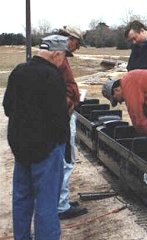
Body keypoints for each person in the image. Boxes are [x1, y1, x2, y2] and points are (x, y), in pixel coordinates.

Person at [3, 35, 70, 240]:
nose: (63, 62)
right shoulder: (53, 76)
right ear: (57, 53)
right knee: (47, 203)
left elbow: (7, 107)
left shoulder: (18, 71)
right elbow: (60, 119)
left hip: (21, 148)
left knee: (22, 199)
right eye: (64, 56)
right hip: (47, 150)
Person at [56, 26, 88, 219]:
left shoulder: (59, 56)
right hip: (63, 115)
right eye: (77, 43)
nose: (77, 48)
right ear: (70, 38)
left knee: (64, 160)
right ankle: (61, 206)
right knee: (66, 161)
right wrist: (68, 103)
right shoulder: (58, 57)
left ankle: (62, 201)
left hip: (63, 113)